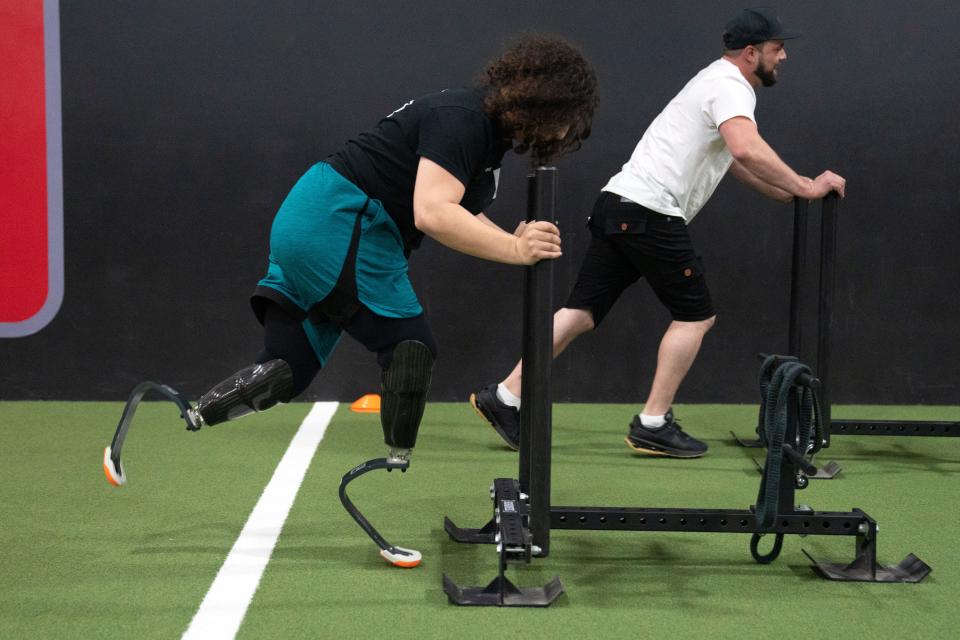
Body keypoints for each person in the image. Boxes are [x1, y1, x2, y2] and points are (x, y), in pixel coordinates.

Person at [186, 34, 598, 564]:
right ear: (548, 100)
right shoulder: (465, 118)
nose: (567, 133)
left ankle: (195, 413)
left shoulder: (479, 129)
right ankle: (396, 458)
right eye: (569, 119)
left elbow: (458, 211)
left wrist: (509, 241)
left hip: (319, 216)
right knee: (409, 346)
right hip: (344, 220)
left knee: (289, 368)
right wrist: (516, 248)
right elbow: (432, 212)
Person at [470, 8, 846, 458]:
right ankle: (653, 422)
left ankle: (506, 396)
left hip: (619, 204)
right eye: (776, 48)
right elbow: (746, 147)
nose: (783, 56)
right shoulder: (730, 87)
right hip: (650, 212)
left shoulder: (712, 82)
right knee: (696, 316)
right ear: (751, 53)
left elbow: (735, 159)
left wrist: (785, 191)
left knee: (581, 311)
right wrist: (804, 184)